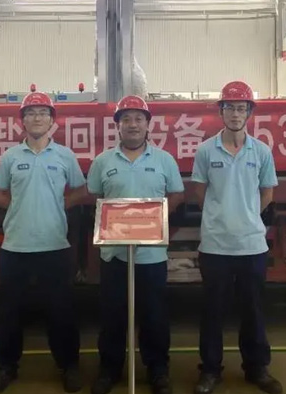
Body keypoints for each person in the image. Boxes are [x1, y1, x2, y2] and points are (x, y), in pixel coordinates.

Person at [0, 91, 88, 394]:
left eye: (43, 113)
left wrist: (58, 205)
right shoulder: (11, 157)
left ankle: (68, 365)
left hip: (55, 247)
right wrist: (21, 206)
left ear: (52, 120)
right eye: (30, 113)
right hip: (15, 248)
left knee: (61, 312)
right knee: (10, 313)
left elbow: (82, 191)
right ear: (23, 121)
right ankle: (6, 367)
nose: (37, 118)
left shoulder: (64, 156)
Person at [87, 95, 185, 394]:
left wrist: (154, 220)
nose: (133, 125)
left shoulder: (164, 160)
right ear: (117, 126)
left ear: (147, 125)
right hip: (114, 256)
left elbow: (176, 194)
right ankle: (109, 369)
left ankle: (158, 370)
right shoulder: (103, 161)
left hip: (152, 256)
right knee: (112, 315)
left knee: (154, 316)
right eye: (126, 119)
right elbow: (95, 197)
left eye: (138, 119)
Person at [191, 81, 282, 394]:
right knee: (212, 312)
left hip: (251, 246)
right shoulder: (206, 151)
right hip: (215, 246)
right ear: (221, 111)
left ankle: (256, 369)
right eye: (229, 107)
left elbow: (267, 193)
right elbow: (200, 193)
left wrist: (245, 215)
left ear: (249, 113)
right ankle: (210, 371)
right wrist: (223, 216)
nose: (235, 113)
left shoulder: (261, 152)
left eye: (241, 108)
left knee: (252, 311)